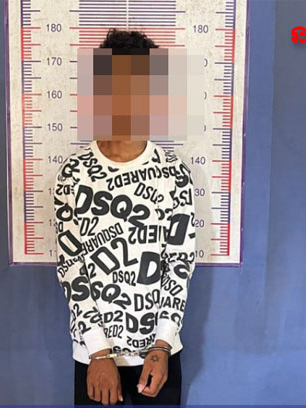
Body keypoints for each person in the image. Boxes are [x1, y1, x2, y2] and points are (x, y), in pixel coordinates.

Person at [53, 28, 196, 405]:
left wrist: (162, 346)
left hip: (159, 354)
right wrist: (99, 353)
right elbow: (71, 268)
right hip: (94, 356)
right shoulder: (74, 174)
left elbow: (179, 264)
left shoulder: (173, 173)